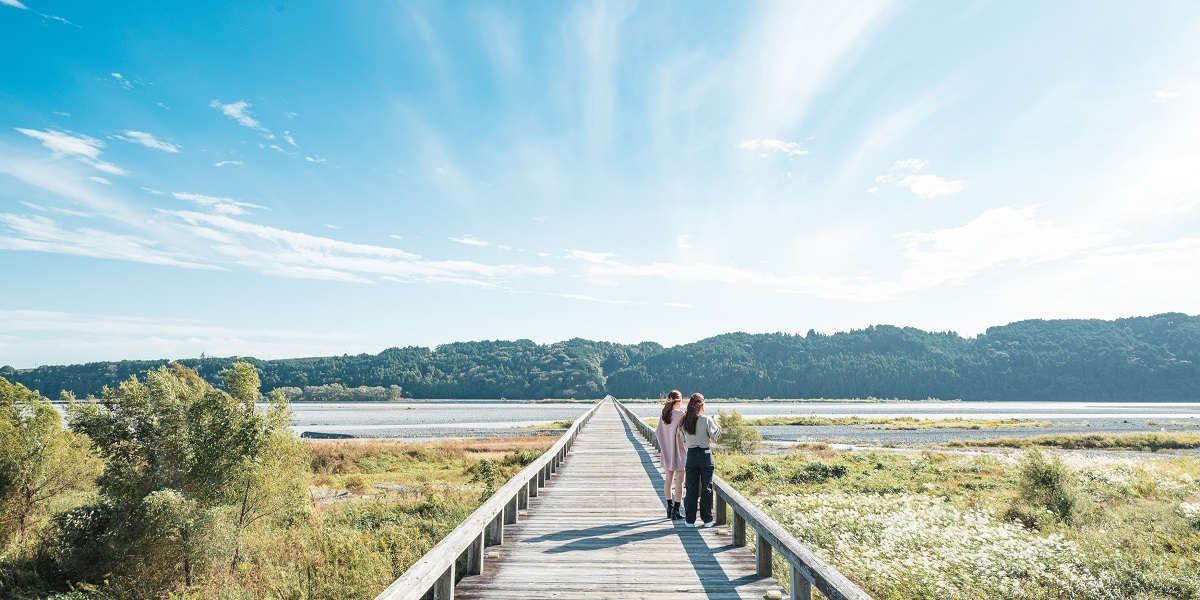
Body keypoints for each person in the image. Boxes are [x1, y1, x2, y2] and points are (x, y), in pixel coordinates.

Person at [678, 392, 721, 527]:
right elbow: (716, 437)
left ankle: (689, 520)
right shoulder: (706, 420)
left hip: (691, 455)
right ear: (702, 405)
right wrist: (716, 423)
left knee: (691, 487)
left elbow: (683, 439)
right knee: (706, 487)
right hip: (705, 455)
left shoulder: (683, 421)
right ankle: (707, 519)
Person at [653, 390, 687, 519]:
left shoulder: (664, 414)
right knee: (679, 483)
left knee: (668, 480)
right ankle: (676, 511)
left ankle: (669, 508)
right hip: (679, 452)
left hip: (667, 452)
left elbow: (658, 432)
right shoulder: (681, 414)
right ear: (678, 400)